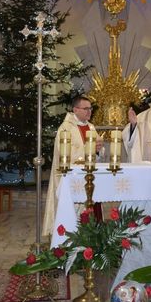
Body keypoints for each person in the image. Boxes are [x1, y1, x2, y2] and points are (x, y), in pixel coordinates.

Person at [42, 96, 103, 237]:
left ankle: (92, 239)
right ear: (75, 109)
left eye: (90, 108)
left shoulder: (91, 126)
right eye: (85, 108)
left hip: (90, 177)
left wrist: (98, 149)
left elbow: (97, 152)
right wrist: (90, 148)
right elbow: (64, 154)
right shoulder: (65, 128)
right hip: (73, 178)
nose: (89, 112)